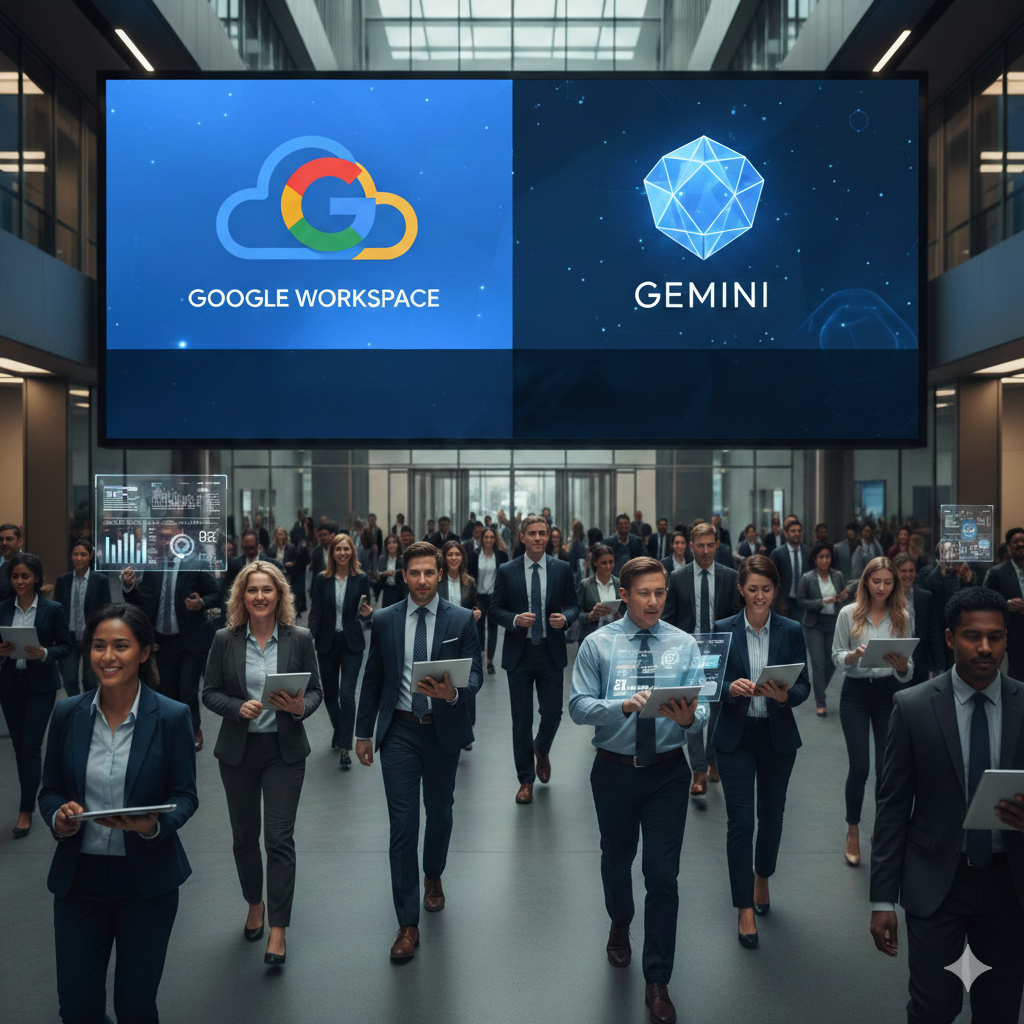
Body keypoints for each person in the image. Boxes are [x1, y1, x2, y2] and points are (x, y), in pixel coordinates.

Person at [870, 587, 1024, 1024]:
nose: (985, 647)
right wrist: (882, 899)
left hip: (1010, 887)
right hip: (936, 882)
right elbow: (893, 806)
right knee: (933, 1008)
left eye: (995, 637)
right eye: (973, 636)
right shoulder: (913, 706)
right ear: (950, 637)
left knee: (1000, 1010)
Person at [40, 603, 198, 1024]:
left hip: (147, 882)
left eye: (121, 646)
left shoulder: (171, 716)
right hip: (79, 882)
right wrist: (59, 816)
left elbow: (185, 796)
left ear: (145, 652)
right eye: (98, 646)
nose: (107, 656)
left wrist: (154, 825)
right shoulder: (67, 713)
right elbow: (50, 790)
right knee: (77, 1008)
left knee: (135, 1007)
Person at [569, 556, 706, 1024]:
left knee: (663, 876)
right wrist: (621, 705)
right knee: (616, 858)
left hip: (668, 771)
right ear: (623, 596)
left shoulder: (684, 644)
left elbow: (700, 708)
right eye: (644, 593)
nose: (653, 601)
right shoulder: (597, 645)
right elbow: (579, 706)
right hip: (614, 770)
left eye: (660, 592)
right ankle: (621, 920)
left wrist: (689, 719)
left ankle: (658, 981)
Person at [354, 541, 483, 961]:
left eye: (430, 573)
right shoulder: (388, 619)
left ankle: (433, 875)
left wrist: (455, 691)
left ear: (439, 574)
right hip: (401, 733)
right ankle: (407, 923)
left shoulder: (461, 618)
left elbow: (476, 672)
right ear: (403, 575)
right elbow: (373, 677)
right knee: (403, 825)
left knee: (441, 813)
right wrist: (362, 732)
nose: (423, 581)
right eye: (415, 573)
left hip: (443, 731)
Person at [202, 560, 322, 967]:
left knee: (278, 840)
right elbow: (210, 692)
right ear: (242, 596)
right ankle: (255, 903)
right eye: (252, 590)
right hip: (238, 752)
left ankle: (278, 929)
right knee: (244, 837)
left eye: (266, 590)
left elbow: (317, 692)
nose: (259, 596)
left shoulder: (299, 638)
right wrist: (238, 708)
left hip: (284, 751)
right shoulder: (225, 639)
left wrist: (299, 706)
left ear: (279, 595)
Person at [712, 555, 811, 949]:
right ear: (741, 589)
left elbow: (803, 688)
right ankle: (744, 908)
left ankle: (762, 876)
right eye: (752, 588)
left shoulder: (791, 630)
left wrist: (786, 695)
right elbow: (706, 683)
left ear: (776, 590)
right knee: (740, 823)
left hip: (777, 738)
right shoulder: (723, 629)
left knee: (772, 816)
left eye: (766, 589)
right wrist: (727, 689)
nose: (759, 596)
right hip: (735, 738)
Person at [490, 514, 580, 804]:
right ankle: (525, 780)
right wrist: (515, 618)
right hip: (520, 652)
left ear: (549, 536)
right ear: (523, 537)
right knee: (521, 719)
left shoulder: (562, 568)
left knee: (553, 712)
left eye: (543, 533)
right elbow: (495, 609)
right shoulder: (507, 570)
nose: (539, 538)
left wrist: (564, 618)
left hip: (550, 651)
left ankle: (541, 748)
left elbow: (574, 606)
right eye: (533, 533)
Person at [833, 556, 914, 867]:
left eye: (888, 582)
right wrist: (853, 655)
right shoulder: (848, 614)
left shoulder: (903, 616)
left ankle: (880, 830)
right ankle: (852, 829)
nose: (881, 587)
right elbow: (836, 656)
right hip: (855, 693)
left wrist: (902, 665)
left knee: (885, 768)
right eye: (876, 580)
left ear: (895, 584)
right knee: (860, 767)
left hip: (888, 694)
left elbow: (909, 670)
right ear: (866, 581)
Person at [120, 534, 222, 753]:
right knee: (165, 691)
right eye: (162, 538)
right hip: (162, 642)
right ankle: (171, 732)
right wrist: (129, 588)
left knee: (187, 690)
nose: (164, 542)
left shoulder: (197, 564)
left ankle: (194, 730)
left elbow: (216, 593)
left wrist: (201, 603)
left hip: (189, 642)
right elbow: (143, 603)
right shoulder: (153, 568)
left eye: (169, 537)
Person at [662, 522, 741, 796]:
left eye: (710, 545)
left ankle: (712, 759)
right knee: (692, 708)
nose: (705, 551)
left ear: (717, 545)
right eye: (700, 546)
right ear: (691, 546)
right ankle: (698, 771)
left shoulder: (730, 576)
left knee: (718, 711)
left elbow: (735, 619)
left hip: (721, 654)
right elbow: (669, 619)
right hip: (689, 653)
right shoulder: (677, 576)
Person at [0, 553, 73, 837]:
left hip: (41, 687)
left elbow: (65, 646)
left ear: (36, 578)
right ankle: (29, 801)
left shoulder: (52, 609)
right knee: (20, 748)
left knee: (30, 746)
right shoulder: (3, 608)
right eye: (15, 576)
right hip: (10, 685)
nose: (20, 581)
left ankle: (25, 809)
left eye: (25, 576)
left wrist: (44, 652)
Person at [308, 532, 373, 768]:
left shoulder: (361, 578)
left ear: (351, 552)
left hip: (352, 643)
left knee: (347, 694)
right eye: (338, 549)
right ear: (332, 553)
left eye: (346, 549)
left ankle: (345, 746)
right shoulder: (321, 579)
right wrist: (310, 639)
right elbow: (315, 611)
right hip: (326, 642)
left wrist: (369, 615)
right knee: (330, 695)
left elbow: (364, 610)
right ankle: (339, 729)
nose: (343, 553)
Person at [54, 539, 111, 697]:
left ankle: (89, 709)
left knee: (90, 681)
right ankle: (77, 706)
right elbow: (57, 610)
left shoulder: (100, 580)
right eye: (75, 554)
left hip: (91, 638)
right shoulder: (62, 580)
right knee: (69, 679)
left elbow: (106, 610)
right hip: (69, 638)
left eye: (83, 554)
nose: (79, 558)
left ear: (90, 556)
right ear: (71, 556)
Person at [796, 541, 848, 717]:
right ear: (815, 559)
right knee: (818, 664)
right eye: (821, 557)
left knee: (832, 663)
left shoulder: (838, 576)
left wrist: (842, 597)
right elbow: (800, 601)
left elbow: (841, 598)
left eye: (827, 557)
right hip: (814, 625)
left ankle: (819, 689)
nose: (824, 560)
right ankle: (821, 701)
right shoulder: (807, 577)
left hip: (833, 623)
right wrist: (822, 602)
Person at [922, 543, 980, 670]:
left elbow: (975, 595)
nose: (951, 556)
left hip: (962, 624)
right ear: (940, 555)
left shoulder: (964, 570)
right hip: (939, 626)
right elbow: (927, 590)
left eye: (954, 552)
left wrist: (967, 579)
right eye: (947, 552)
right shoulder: (930, 570)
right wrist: (940, 571)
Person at [893, 552, 944, 685]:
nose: (908, 575)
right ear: (895, 572)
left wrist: (939, 666)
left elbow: (933, 632)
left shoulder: (925, 597)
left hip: (920, 661)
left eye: (911, 571)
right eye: (903, 571)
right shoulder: (886, 598)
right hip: (894, 660)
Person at [983, 526, 1024, 681]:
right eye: (1016, 542)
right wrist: (1005, 604)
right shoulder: (996, 573)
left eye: (1023, 541)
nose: (1020, 544)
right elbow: (984, 600)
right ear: (1009, 547)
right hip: (1010, 639)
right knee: (1015, 681)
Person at [468, 526, 507, 675]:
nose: (489, 540)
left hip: (494, 597)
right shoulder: (475, 555)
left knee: (493, 628)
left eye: (491, 537)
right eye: (486, 537)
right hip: (479, 597)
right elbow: (470, 577)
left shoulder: (501, 556)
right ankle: (481, 655)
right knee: (478, 627)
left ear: (495, 539)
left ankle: (490, 661)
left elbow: (505, 577)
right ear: (482, 539)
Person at [577, 544, 623, 642]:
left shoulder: (619, 584)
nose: (608, 566)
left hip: (614, 638)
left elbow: (628, 612)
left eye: (611, 562)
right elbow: (578, 614)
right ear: (595, 562)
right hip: (592, 638)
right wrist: (591, 616)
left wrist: (620, 616)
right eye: (603, 563)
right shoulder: (585, 585)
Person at [769, 519, 812, 621]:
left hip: (803, 601)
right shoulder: (777, 554)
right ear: (786, 533)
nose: (797, 534)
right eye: (793, 531)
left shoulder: (808, 552)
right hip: (784, 601)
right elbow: (772, 579)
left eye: (799, 531)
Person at [225, 528, 284, 594]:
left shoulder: (273, 565)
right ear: (241, 546)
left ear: (258, 546)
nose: (249, 551)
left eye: (251, 547)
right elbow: (227, 590)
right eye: (246, 548)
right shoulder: (233, 564)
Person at [375, 533, 408, 609]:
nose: (391, 545)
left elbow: (405, 572)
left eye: (394, 542)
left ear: (398, 545)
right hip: (387, 589)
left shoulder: (402, 559)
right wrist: (383, 574)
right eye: (389, 543)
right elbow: (378, 574)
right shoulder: (382, 559)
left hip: (399, 590)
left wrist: (395, 573)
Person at [0, 522, 24, 601]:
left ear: (20, 541)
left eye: (9, 539)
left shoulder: (27, 565)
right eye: (1, 540)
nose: (4, 543)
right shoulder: (3, 565)